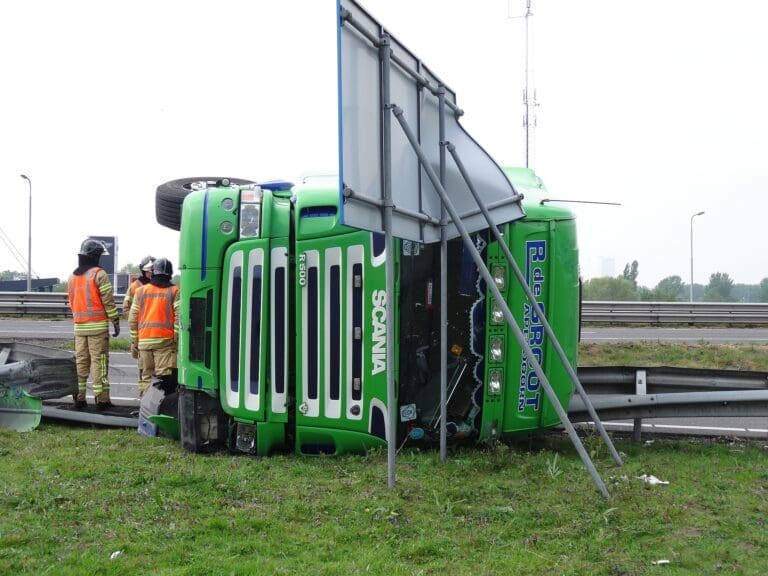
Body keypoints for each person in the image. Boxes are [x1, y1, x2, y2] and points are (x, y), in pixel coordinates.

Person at [66, 238, 121, 410]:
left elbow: (72, 301)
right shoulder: (99, 274)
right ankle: (102, 400)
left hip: (79, 327)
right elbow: (108, 301)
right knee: (99, 363)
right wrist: (115, 320)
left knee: (81, 363)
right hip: (97, 328)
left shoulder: (72, 276)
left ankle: (79, 399)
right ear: (95, 255)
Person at [128, 257, 180, 398]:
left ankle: (146, 407)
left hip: (144, 343)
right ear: (169, 273)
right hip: (165, 343)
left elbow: (132, 319)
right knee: (163, 378)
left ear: (153, 272)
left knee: (146, 377)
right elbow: (179, 318)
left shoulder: (140, 291)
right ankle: (161, 407)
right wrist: (176, 340)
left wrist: (135, 341)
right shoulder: (175, 291)